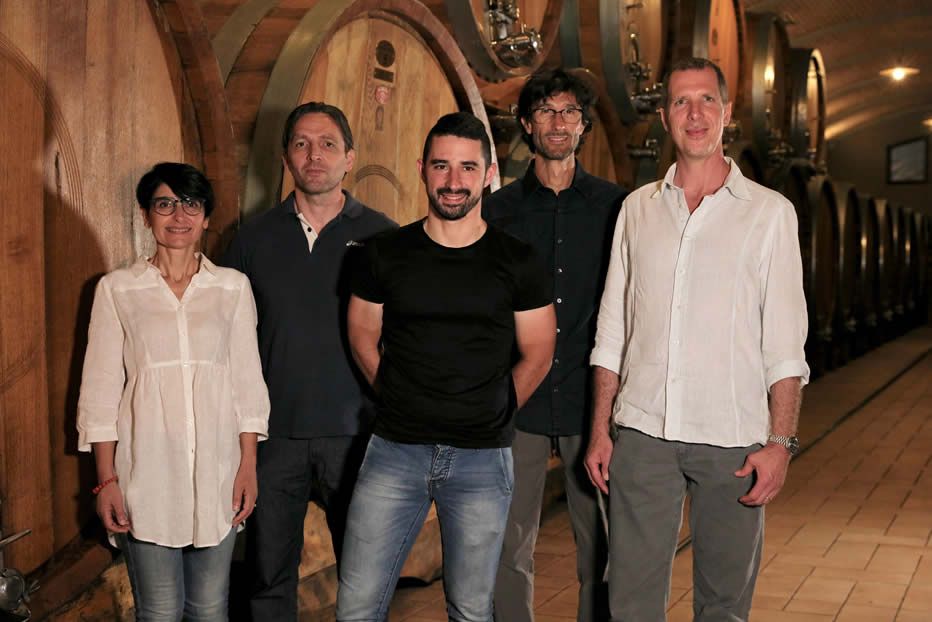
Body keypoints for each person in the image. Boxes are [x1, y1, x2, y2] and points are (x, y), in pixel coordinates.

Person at [585, 57, 809, 621]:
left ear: (727, 112)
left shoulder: (770, 214)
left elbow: (785, 345)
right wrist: (600, 430)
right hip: (643, 434)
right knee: (630, 603)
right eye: (681, 101)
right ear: (665, 117)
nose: (695, 113)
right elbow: (612, 328)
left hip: (732, 440)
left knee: (723, 606)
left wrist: (781, 444)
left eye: (707, 99)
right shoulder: (636, 210)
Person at [336, 111, 557, 621]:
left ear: (488, 173)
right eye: (441, 166)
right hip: (394, 450)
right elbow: (362, 333)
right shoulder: (383, 254)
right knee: (357, 606)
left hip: (482, 457)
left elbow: (539, 351)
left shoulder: (518, 260)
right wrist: (393, 393)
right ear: (422, 169)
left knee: (471, 610)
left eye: (467, 167)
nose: (453, 181)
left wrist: (497, 407)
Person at [222, 102, 396, 620]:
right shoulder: (252, 240)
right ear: (286, 159)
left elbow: (405, 338)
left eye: (327, 144)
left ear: (349, 158)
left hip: (357, 434)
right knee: (268, 577)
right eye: (301, 144)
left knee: (365, 577)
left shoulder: (385, 238)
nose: (314, 155)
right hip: (274, 437)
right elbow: (228, 342)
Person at [77, 162, 270, 620]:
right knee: (160, 611)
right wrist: (106, 481)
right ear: (146, 216)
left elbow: (247, 383)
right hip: (147, 479)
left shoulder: (232, 288)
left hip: (218, 476)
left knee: (210, 609)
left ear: (206, 218)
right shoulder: (117, 290)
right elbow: (100, 391)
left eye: (190, 204)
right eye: (164, 204)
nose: (178, 215)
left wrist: (247, 465)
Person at [483, 68, 625, 622]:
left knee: (601, 546)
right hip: (518, 396)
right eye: (546, 111)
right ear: (527, 124)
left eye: (569, 112)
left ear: (584, 125)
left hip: (591, 402)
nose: (558, 122)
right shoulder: (498, 211)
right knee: (508, 541)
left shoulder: (617, 208)